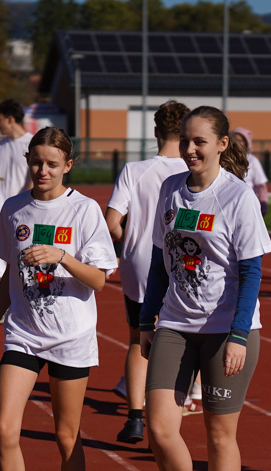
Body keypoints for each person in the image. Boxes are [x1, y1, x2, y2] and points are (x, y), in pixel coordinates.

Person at [0, 127, 117, 471]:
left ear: (67, 166)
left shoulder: (85, 211)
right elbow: (6, 279)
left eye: (52, 163)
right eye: (36, 162)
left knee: (65, 435)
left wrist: (62, 256)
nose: (43, 170)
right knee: (3, 428)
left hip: (71, 337)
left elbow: (100, 280)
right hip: (22, 333)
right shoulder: (15, 208)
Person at [139, 106, 271, 471]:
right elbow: (160, 262)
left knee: (220, 436)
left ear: (221, 144)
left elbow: (252, 270)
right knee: (158, 427)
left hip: (226, 331)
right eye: (185, 141)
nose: (191, 149)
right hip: (175, 323)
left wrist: (238, 335)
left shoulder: (237, 197)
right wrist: (145, 320)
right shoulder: (170, 189)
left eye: (200, 141)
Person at [105, 100, 190, 444]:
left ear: (155, 132)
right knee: (181, 340)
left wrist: (130, 244)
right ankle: (173, 415)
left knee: (137, 340)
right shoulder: (193, 169)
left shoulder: (134, 170)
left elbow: (111, 222)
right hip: (183, 263)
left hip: (138, 266)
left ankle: (135, 418)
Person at [0, 99, 33, 295]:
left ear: (10, 119)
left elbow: (34, 179)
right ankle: (1, 310)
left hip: (24, 213)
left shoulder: (31, 143)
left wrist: (25, 203)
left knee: (23, 261)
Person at [230, 127, 269, 216]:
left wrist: (263, 205)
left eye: (240, 140)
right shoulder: (226, 159)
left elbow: (261, 185)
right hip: (229, 202)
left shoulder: (252, 161)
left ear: (246, 143)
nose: (237, 143)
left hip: (246, 204)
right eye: (234, 140)